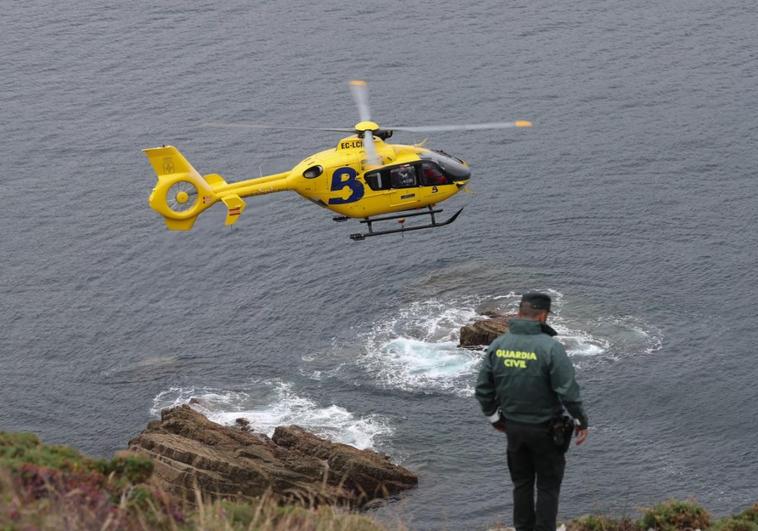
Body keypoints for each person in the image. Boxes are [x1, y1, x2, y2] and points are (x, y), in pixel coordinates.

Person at [475, 292, 589, 531]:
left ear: (518, 313)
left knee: (522, 483)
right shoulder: (551, 348)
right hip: (546, 429)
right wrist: (581, 421)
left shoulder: (499, 345)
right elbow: (567, 392)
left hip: (513, 428)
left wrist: (494, 417)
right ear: (543, 316)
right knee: (547, 486)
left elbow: (483, 389)